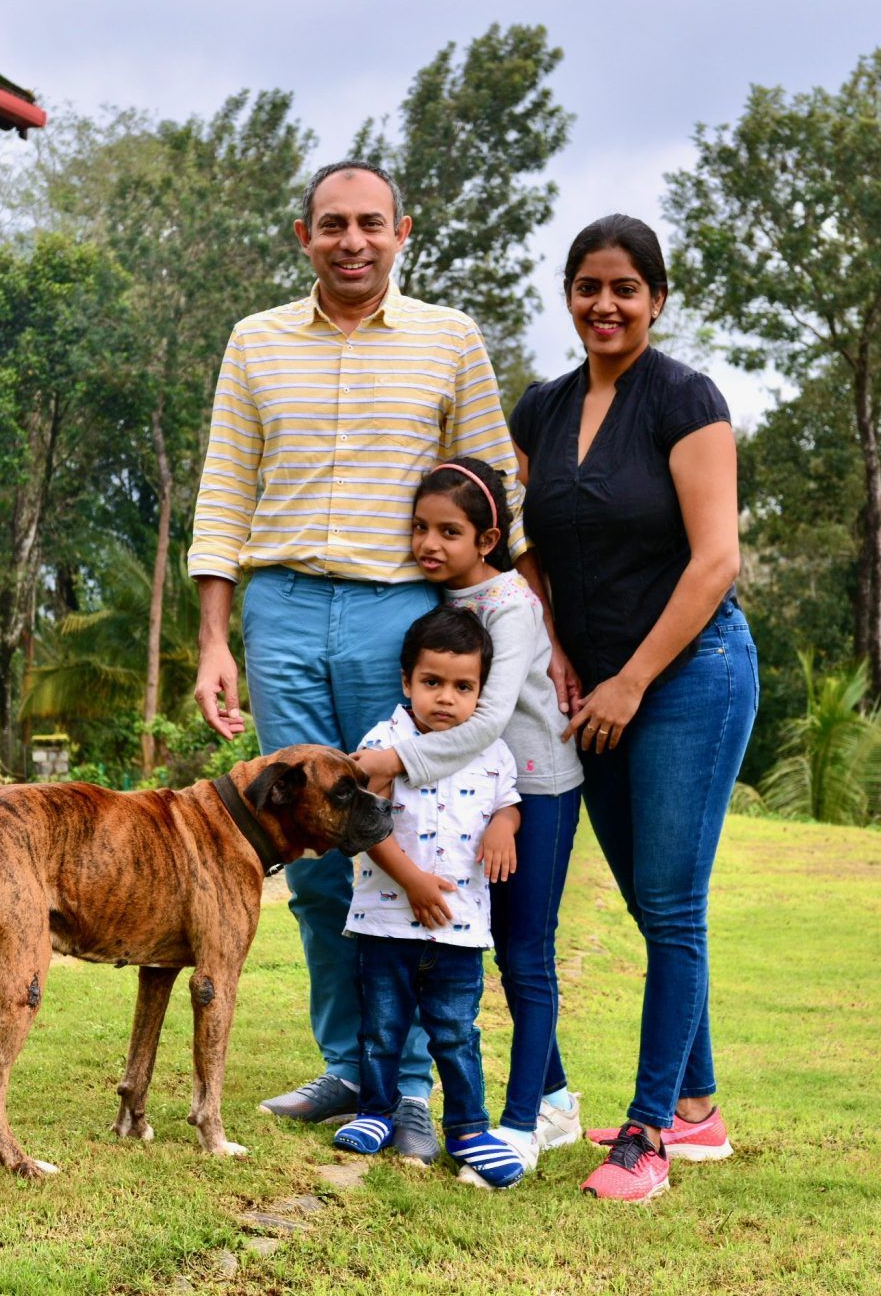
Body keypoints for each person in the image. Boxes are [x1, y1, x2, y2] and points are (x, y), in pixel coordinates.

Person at [186, 159, 530, 1162]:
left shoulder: (448, 340)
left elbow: (490, 491)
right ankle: (350, 1064)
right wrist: (215, 637)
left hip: (404, 618)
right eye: (331, 224)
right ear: (304, 237)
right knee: (307, 849)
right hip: (284, 608)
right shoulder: (255, 342)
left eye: (369, 224)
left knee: (410, 836)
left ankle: (413, 1087)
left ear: (401, 231)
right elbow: (222, 491)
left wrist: (509, 625)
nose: (351, 240)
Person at [507, 214, 756, 1203]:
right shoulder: (539, 407)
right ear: (567, 295)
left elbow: (715, 560)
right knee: (652, 903)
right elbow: (523, 545)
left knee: (667, 904)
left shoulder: (683, 398)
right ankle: (696, 1109)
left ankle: (649, 1134)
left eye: (624, 288)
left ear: (656, 298)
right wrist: (563, 655)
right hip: (592, 684)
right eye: (586, 286)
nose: (603, 304)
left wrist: (631, 679)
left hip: (686, 674)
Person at [351, 456, 585, 1173]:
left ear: (486, 539)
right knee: (490, 949)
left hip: (532, 786)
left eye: (448, 531)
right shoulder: (441, 597)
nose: (429, 543)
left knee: (524, 955)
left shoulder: (510, 605)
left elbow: (486, 723)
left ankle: (520, 1121)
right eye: (420, 527)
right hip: (476, 796)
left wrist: (394, 763)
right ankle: (555, 1094)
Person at [330, 605, 526, 1188]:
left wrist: (503, 826)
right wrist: (412, 881)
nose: (446, 698)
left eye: (463, 686)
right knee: (382, 1028)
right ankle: (376, 1112)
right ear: (406, 682)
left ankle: (469, 1128)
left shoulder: (491, 750)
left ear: (481, 691)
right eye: (432, 682)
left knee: (457, 1033)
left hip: (460, 930)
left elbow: (509, 804)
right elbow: (364, 828)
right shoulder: (380, 745)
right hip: (385, 923)